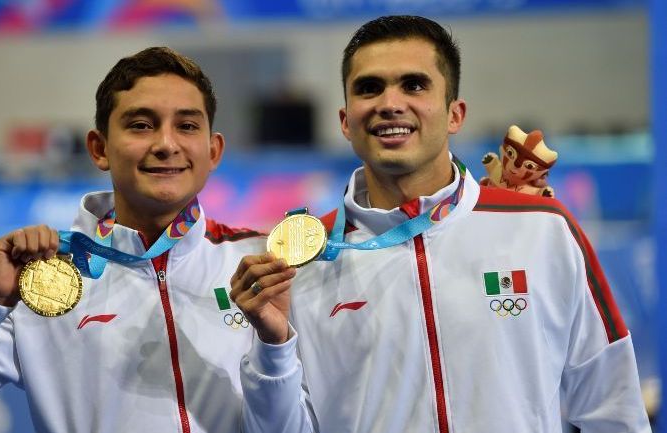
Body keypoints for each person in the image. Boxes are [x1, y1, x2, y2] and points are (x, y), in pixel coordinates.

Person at [232, 15, 651, 433]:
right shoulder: (300, 261)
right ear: (346, 121)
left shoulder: (543, 228)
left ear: (455, 114)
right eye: (369, 87)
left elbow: (611, 405)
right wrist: (273, 346)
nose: (390, 103)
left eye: (414, 85)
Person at [0, 47, 290, 433]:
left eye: (186, 126)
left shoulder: (262, 263)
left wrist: (275, 351)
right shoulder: (41, 281)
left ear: (213, 149)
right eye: (141, 124)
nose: (167, 143)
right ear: (99, 149)